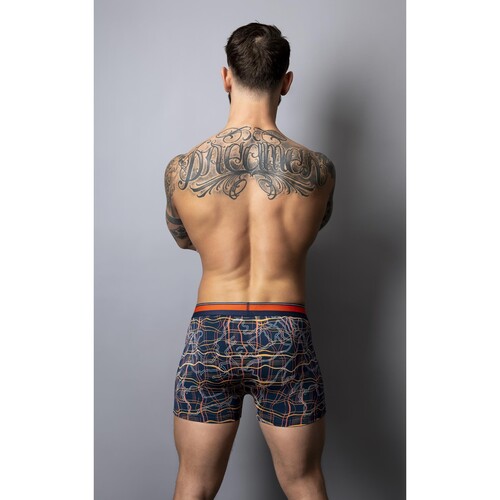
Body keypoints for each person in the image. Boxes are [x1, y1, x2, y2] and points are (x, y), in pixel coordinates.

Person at [164, 22, 336, 500]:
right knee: (303, 481)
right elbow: (311, 231)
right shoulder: (319, 171)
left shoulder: (182, 169)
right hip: (285, 332)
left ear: (226, 77)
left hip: (211, 332)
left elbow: (183, 238)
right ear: (286, 81)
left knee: (194, 484)